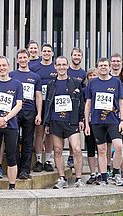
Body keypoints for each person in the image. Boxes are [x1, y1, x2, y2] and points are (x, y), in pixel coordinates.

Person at [84, 57, 123, 186]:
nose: (103, 67)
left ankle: (116, 173)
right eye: (101, 65)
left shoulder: (116, 82)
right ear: (97, 67)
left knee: (119, 146)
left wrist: (122, 120)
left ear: (109, 67)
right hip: (97, 121)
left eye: (105, 65)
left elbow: (121, 101)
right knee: (101, 150)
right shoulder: (92, 83)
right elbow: (88, 103)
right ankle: (103, 177)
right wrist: (86, 123)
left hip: (113, 120)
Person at [44, 56, 85, 189]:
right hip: (56, 121)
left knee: (77, 149)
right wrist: (47, 123)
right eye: (59, 65)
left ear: (67, 66)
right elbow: (47, 105)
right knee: (58, 150)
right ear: (55, 67)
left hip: (71, 121)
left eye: (64, 65)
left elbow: (81, 104)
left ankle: (78, 178)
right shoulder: (51, 84)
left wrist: (80, 119)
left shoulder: (75, 83)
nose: (61, 67)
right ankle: (61, 178)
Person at [0, 56, 23, 190]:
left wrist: (5, 119)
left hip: (11, 125)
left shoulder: (17, 84)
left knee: (12, 155)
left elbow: (19, 105)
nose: (1, 68)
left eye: (4, 65)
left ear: (8, 66)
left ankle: (12, 186)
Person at [10, 48, 43, 179]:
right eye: (20, 58)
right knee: (14, 140)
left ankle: (25, 170)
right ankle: (16, 169)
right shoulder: (12, 75)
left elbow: (38, 96)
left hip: (30, 111)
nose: (23, 60)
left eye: (25, 57)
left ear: (29, 59)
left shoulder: (35, 77)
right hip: (14, 112)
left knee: (28, 141)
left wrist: (39, 113)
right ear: (17, 60)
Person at [30, 43, 57, 172]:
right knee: (39, 132)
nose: (46, 53)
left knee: (50, 133)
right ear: (41, 53)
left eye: (49, 51)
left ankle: (48, 160)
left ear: (52, 53)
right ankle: (39, 160)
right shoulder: (34, 68)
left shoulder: (56, 67)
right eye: (44, 51)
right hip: (38, 104)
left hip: (52, 106)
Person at [67, 47, 87, 168]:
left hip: (76, 107)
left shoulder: (83, 74)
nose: (77, 57)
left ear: (81, 58)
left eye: (79, 55)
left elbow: (84, 92)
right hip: (64, 106)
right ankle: (69, 156)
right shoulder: (66, 70)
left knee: (74, 132)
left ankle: (72, 156)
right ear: (71, 56)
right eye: (75, 55)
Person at [82, 68, 100, 184]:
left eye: (95, 75)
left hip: (101, 122)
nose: (92, 77)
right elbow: (84, 106)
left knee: (101, 149)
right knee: (90, 148)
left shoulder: (101, 87)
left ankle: (101, 172)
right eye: (90, 76)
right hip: (88, 122)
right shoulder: (84, 90)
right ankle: (92, 173)